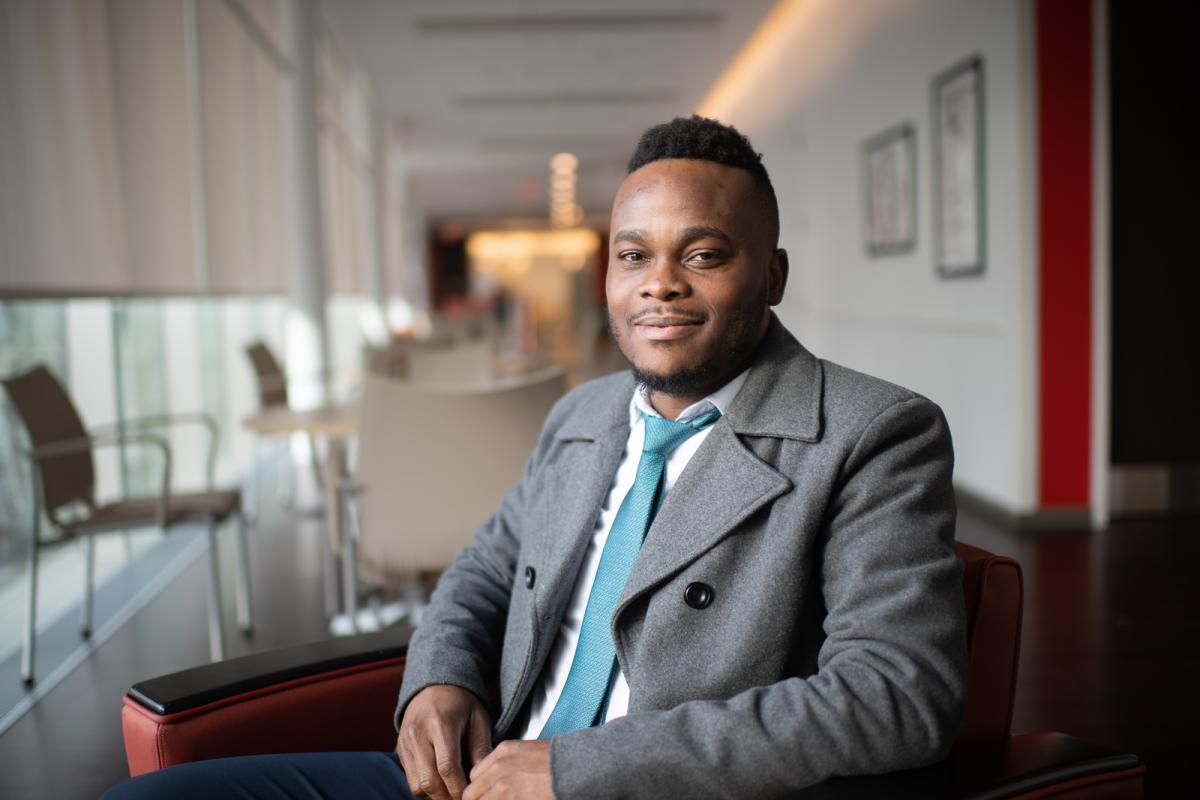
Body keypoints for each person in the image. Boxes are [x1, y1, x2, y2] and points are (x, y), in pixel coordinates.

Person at [103, 115, 965, 800]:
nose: (659, 283)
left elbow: (896, 697)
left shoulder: (874, 433)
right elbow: (483, 568)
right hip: (482, 776)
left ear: (772, 275)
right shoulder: (582, 415)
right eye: (633, 255)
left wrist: (579, 771)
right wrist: (437, 680)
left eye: (703, 255)